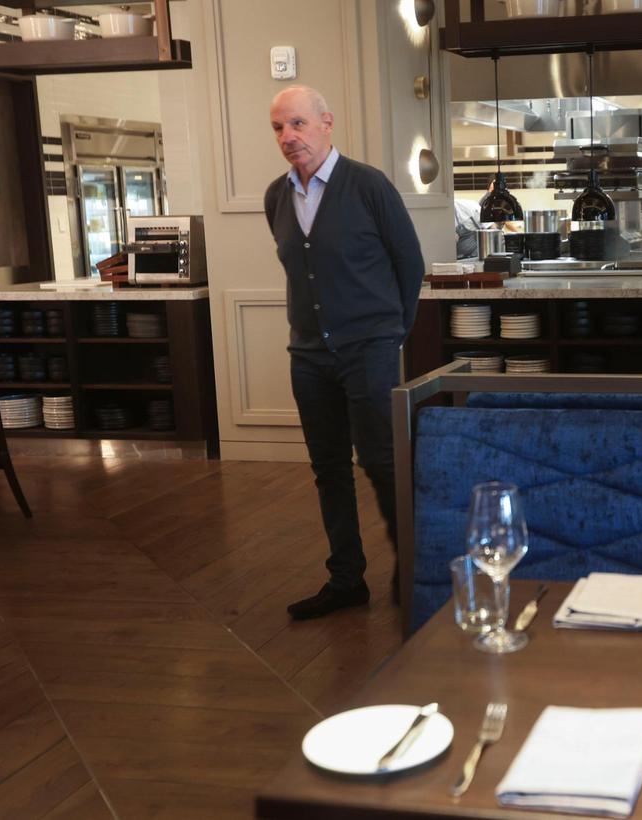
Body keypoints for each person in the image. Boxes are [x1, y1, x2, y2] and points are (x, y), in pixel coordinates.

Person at [264, 85, 425, 619]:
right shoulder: (277, 197)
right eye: (279, 128)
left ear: (326, 123)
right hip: (308, 355)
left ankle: (413, 564)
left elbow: (410, 264)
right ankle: (346, 578)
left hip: (369, 348)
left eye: (298, 124)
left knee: (381, 461)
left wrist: (390, 334)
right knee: (328, 468)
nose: (289, 137)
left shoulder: (368, 186)